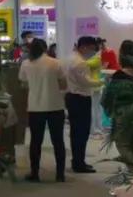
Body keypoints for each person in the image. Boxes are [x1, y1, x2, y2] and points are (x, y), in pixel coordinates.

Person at [18, 38, 68, 182]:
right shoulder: (55, 63)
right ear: (45, 48)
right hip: (55, 106)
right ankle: (60, 174)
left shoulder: (26, 64)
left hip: (35, 107)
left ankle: (35, 173)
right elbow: (63, 84)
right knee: (58, 141)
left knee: (35, 141)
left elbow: (23, 83)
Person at [64, 36, 102, 174]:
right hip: (80, 98)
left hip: (72, 97)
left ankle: (78, 161)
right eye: (92, 49)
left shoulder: (70, 58)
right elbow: (85, 82)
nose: (93, 52)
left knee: (76, 132)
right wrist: (102, 81)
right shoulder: (80, 62)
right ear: (84, 47)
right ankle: (79, 163)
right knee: (81, 132)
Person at [104, 57, 133, 169]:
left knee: (123, 144)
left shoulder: (118, 76)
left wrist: (110, 111)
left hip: (123, 113)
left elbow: (108, 96)